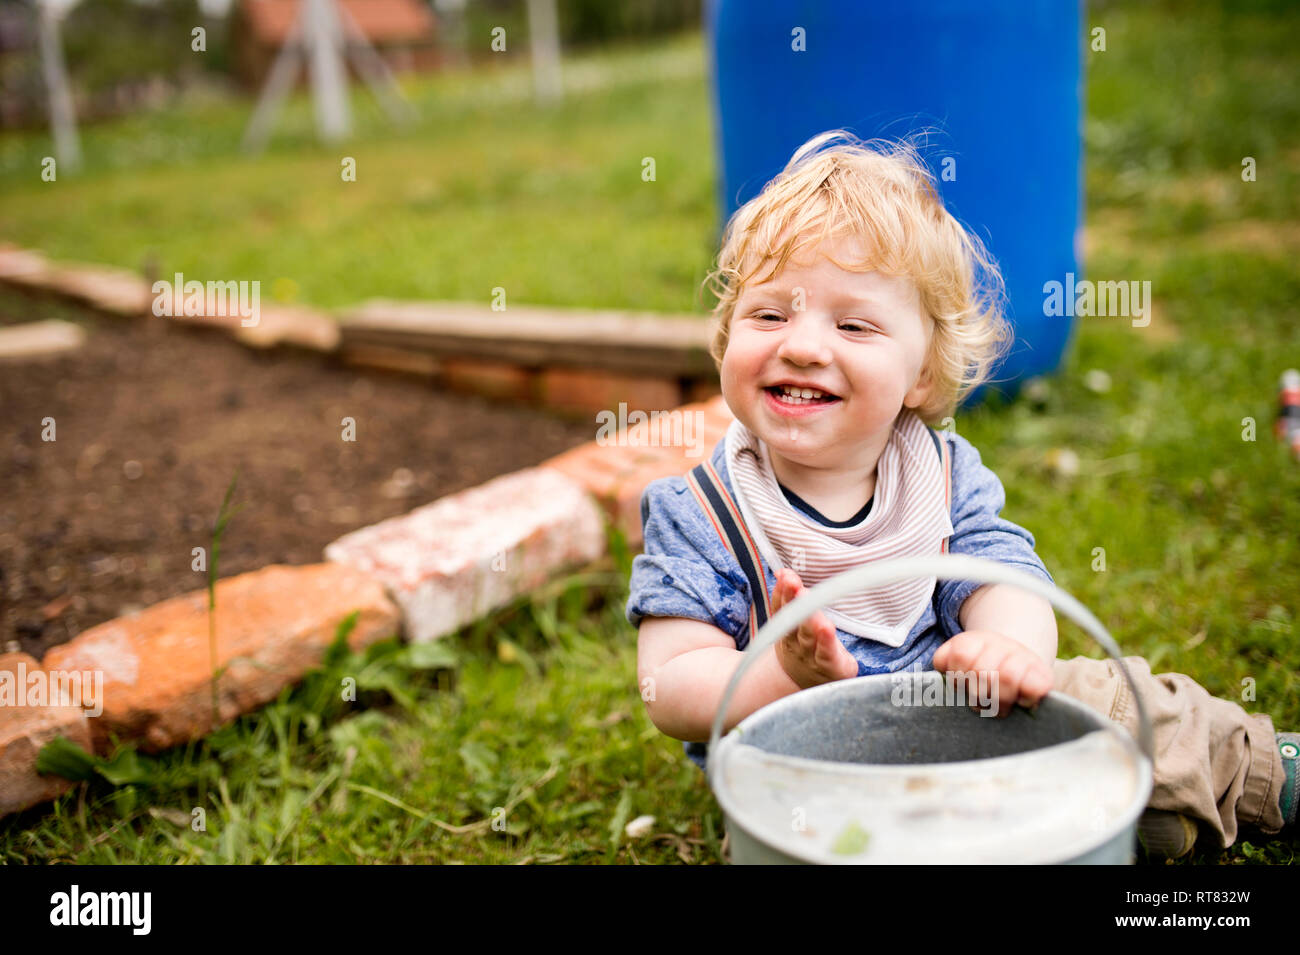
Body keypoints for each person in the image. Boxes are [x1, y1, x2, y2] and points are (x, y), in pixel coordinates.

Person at [625, 130, 1296, 859]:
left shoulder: (942, 474)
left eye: (853, 324)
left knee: (1118, 701)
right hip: (811, 766)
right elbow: (672, 682)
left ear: (920, 376)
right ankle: (1116, 818)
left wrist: (1005, 648)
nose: (804, 345)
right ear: (727, 338)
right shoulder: (702, 510)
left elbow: (1005, 579)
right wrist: (781, 673)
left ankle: (1262, 775)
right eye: (770, 315)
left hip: (969, 715)